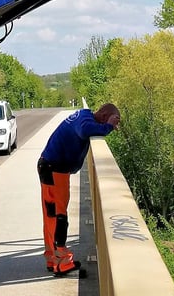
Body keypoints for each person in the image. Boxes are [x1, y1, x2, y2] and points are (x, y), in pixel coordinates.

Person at [37, 102, 121, 276]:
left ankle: (53, 259)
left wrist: (106, 125)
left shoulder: (83, 115)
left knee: (52, 214)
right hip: (54, 169)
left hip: (52, 167)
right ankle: (61, 262)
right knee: (58, 215)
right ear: (105, 115)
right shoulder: (84, 118)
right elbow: (85, 130)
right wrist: (108, 127)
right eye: (111, 119)